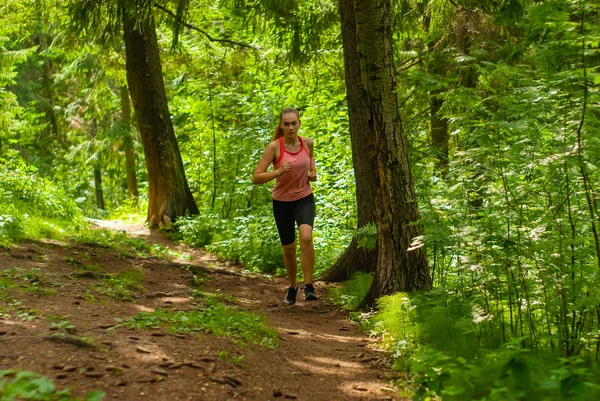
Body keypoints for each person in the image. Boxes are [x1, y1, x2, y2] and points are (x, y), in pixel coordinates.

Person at [252, 107, 318, 305]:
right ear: (281, 125)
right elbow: (256, 177)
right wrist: (278, 171)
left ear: (299, 123)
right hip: (282, 202)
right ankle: (292, 286)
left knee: (306, 236)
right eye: (286, 124)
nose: (290, 127)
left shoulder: (307, 143)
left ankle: (309, 286)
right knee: (288, 248)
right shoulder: (274, 147)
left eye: (294, 123)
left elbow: (310, 161)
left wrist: (313, 172)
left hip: (303, 198)